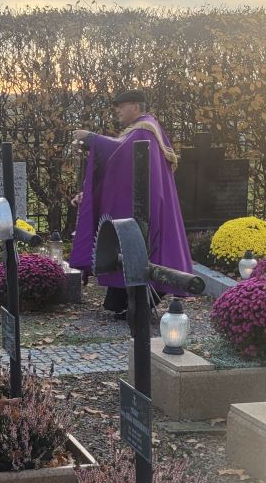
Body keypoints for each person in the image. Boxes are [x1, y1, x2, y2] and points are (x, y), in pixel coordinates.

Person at [68, 88, 192, 318]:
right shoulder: (141, 129)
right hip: (140, 202)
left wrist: (92, 139)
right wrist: (89, 192)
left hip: (145, 206)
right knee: (128, 248)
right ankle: (123, 303)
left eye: (121, 107)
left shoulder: (144, 129)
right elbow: (118, 163)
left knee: (137, 248)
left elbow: (121, 152)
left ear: (135, 106)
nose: (117, 111)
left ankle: (136, 304)